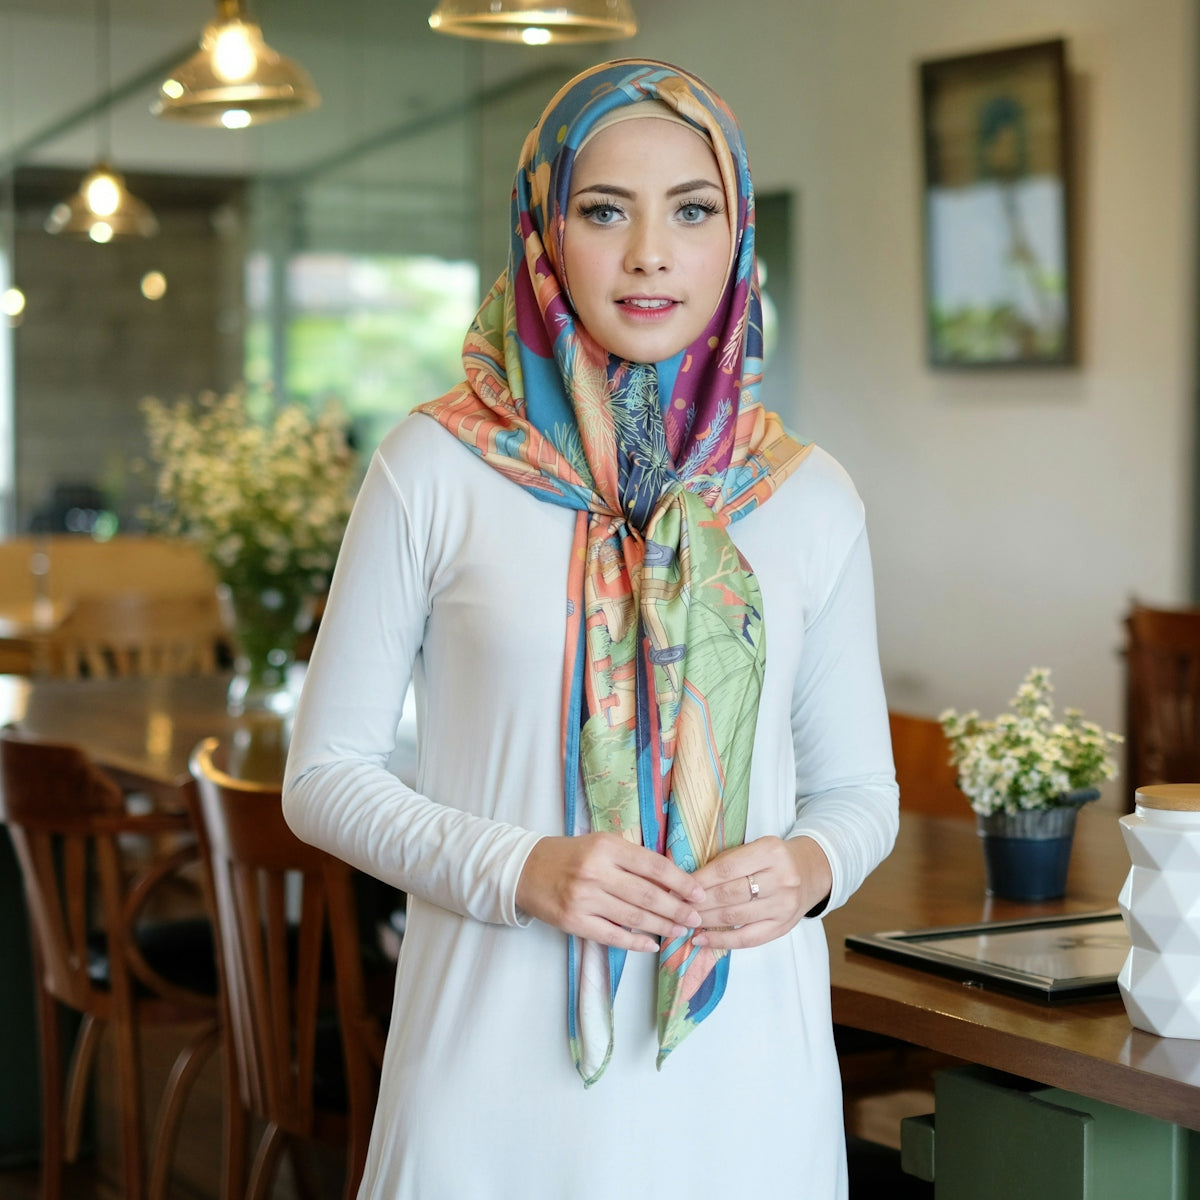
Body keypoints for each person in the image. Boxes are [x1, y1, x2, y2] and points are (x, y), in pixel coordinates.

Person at [283, 58, 898, 1200]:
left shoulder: (807, 496)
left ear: (737, 236)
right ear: (544, 232)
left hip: (750, 1084)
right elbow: (322, 778)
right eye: (605, 211)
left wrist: (809, 868)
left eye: (692, 211)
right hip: (490, 1083)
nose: (651, 254)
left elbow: (861, 791)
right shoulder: (435, 467)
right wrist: (521, 868)